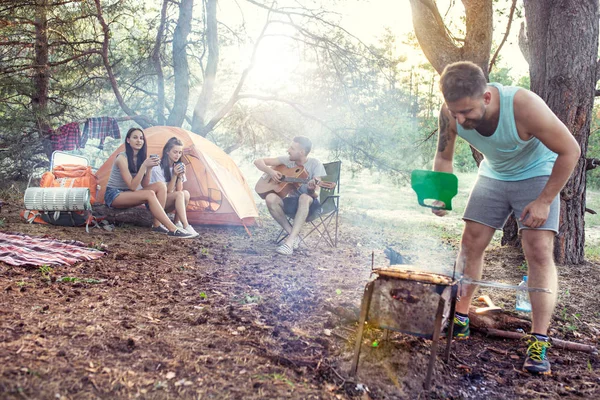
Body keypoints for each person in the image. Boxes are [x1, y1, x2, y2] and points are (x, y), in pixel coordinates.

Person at [433, 61, 580, 375]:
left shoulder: (523, 106)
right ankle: (460, 317)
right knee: (470, 243)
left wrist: (544, 201)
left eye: (466, 112)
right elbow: (444, 156)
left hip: (537, 174)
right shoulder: (451, 112)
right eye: (454, 111)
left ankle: (539, 340)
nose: (459, 119)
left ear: (486, 97)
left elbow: (570, 150)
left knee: (538, 250)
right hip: (494, 174)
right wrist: (441, 194)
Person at [104, 128, 196, 239]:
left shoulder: (140, 158)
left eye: (141, 138)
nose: (139, 140)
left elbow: (144, 184)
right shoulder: (122, 158)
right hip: (114, 194)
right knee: (150, 194)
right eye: (135, 137)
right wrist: (144, 166)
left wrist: (149, 169)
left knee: (160, 185)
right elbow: (132, 186)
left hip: (128, 193)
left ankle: (157, 224)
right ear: (128, 140)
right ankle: (173, 229)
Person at [254, 136, 326, 255]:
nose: (288, 150)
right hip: (292, 204)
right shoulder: (287, 160)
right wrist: (271, 172)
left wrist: (311, 190)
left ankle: (289, 243)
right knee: (270, 198)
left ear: (301, 152)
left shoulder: (315, 164)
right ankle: (293, 236)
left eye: (292, 148)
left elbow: (316, 193)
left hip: (311, 206)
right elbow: (258, 161)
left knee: (304, 197)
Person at [148, 137, 198, 236]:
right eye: (175, 152)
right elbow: (165, 192)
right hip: (157, 204)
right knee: (180, 194)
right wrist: (174, 175)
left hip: (169, 201)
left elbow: (180, 191)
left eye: (180, 153)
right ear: (167, 151)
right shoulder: (158, 168)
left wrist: (179, 176)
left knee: (186, 193)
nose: (177, 155)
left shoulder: (178, 166)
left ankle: (177, 222)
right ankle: (186, 225)